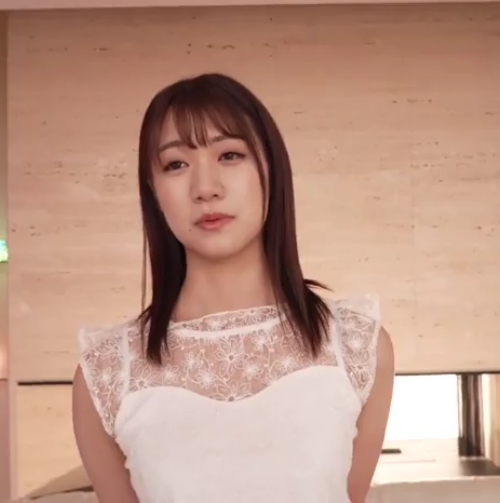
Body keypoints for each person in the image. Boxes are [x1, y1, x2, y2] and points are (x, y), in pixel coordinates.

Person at [71, 73, 395, 503]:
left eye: (229, 155)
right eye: (176, 164)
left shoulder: (357, 347)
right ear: (153, 189)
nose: (206, 188)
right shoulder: (106, 375)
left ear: (270, 169)